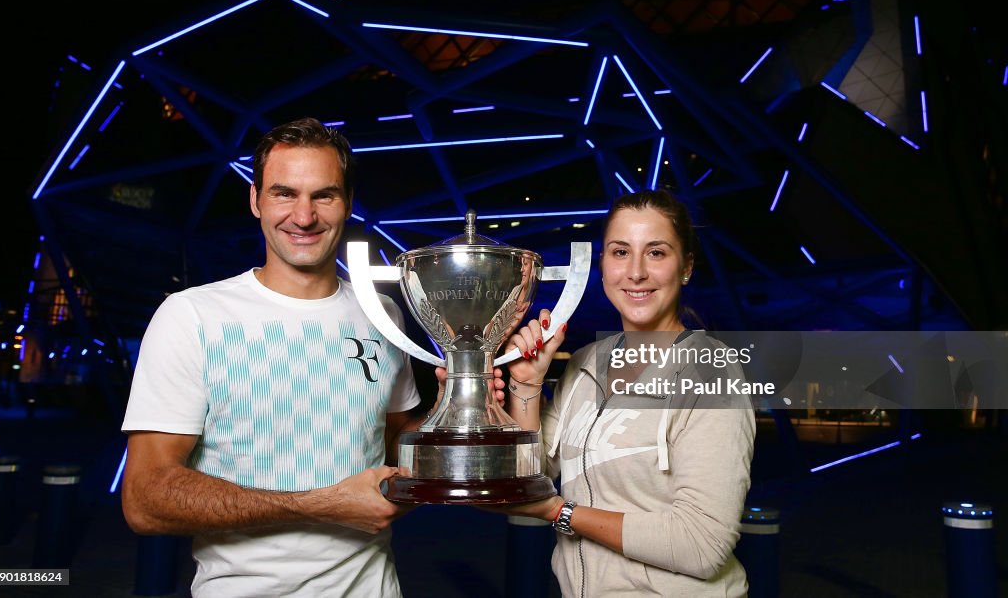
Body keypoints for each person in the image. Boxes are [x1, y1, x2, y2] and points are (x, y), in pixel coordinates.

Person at [121, 118, 450, 597]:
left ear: (348, 203)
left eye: (324, 195)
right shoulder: (193, 315)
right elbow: (144, 499)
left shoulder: (383, 314)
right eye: (283, 193)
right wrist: (318, 503)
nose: (303, 216)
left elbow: (398, 443)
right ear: (255, 200)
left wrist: (456, 401)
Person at [499, 189, 756, 596]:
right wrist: (527, 384)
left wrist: (560, 512)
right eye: (620, 252)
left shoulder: (711, 371)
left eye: (656, 253)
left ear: (686, 267)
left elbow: (703, 545)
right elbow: (529, 481)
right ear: (602, 265)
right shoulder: (585, 362)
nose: (635, 272)